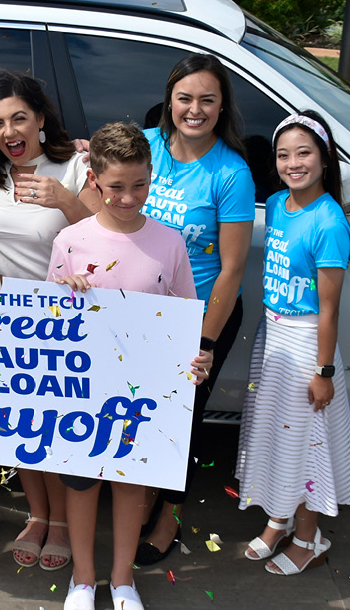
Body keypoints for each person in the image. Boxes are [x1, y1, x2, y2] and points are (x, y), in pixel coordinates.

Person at [48, 122, 212, 610]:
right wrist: (64, 293)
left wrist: (197, 357)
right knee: (81, 483)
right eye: (115, 186)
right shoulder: (71, 240)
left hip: (143, 389)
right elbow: (44, 323)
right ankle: (82, 579)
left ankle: (122, 580)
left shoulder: (170, 242)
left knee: (129, 481)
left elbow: (186, 314)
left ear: (151, 175)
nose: (127, 197)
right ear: (94, 180)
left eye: (138, 184)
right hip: (82, 386)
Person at [0, 71, 102, 571]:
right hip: (4, 325)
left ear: (41, 119)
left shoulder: (76, 167)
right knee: (20, 431)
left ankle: (64, 523)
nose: (9, 132)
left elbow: (103, 243)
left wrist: (65, 200)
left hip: (62, 326)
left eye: (19, 118)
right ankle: (39, 514)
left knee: (60, 434)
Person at [135, 53, 255, 564]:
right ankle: (139, 495)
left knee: (182, 421)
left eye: (208, 99)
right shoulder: (148, 146)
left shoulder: (232, 173)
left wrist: (204, 341)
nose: (195, 109)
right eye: (185, 98)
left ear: (222, 104)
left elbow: (231, 270)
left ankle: (169, 515)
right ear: (170, 100)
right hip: (138, 313)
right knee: (139, 413)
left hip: (198, 317)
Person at [234, 111, 350, 575]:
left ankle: (310, 537)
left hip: (308, 346)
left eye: (304, 152)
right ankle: (278, 520)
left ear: (325, 159)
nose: (293, 163)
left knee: (307, 443)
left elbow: (329, 310)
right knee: (277, 439)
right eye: (283, 154)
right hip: (275, 338)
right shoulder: (277, 203)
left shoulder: (329, 221)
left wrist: (324, 372)